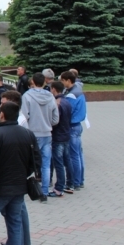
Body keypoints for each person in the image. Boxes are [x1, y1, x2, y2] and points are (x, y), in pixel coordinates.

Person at [0, 102, 40, 245]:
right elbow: (36, 160)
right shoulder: (28, 134)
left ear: (2, 115)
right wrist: (23, 174)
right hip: (19, 186)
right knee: (15, 221)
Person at [21, 72, 59, 201]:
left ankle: (26, 189)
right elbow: (56, 118)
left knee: (28, 161)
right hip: (47, 133)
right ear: (44, 82)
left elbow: (24, 116)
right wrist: (48, 123)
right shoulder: (50, 96)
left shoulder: (27, 96)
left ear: (33, 81)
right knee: (46, 164)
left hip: (32, 133)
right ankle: (45, 191)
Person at [60, 70, 86, 191]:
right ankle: (80, 180)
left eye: (63, 80)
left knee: (73, 155)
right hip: (78, 125)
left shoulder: (71, 95)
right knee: (79, 154)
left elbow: (67, 111)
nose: (61, 82)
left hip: (71, 126)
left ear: (68, 80)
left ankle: (75, 181)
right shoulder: (78, 91)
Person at [49, 81, 72, 197]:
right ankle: (70, 183)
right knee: (67, 160)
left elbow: (55, 121)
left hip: (58, 136)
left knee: (58, 163)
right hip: (66, 134)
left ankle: (59, 188)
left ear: (53, 89)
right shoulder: (66, 101)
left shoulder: (57, 103)